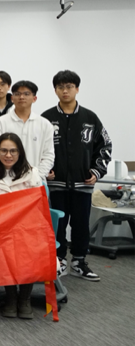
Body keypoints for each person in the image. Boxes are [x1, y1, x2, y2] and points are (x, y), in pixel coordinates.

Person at [41, 70, 112, 282]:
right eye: (61, 87)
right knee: (58, 224)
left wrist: (97, 171)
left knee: (81, 225)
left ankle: (79, 262)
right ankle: (59, 260)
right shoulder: (46, 118)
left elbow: (105, 146)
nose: (65, 91)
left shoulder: (90, 118)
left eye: (69, 86)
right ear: (55, 90)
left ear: (77, 89)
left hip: (83, 183)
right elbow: (37, 149)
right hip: (55, 185)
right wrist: (44, 170)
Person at [0, 133, 46, 318]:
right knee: (5, 251)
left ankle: (24, 299)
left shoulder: (32, 174)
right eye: (4, 151)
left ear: (20, 152)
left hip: (26, 227)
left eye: (13, 151)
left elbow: (38, 205)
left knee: (28, 253)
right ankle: (11, 298)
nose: (8, 155)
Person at [0, 80, 55, 178]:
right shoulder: (1, 122)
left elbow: (48, 155)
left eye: (26, 94)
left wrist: (36, 176)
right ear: (12, 98)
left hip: (36, 180)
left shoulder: (45, 124)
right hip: (8, 180)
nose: (21, 97)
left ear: (34, 98)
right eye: (17, 94)